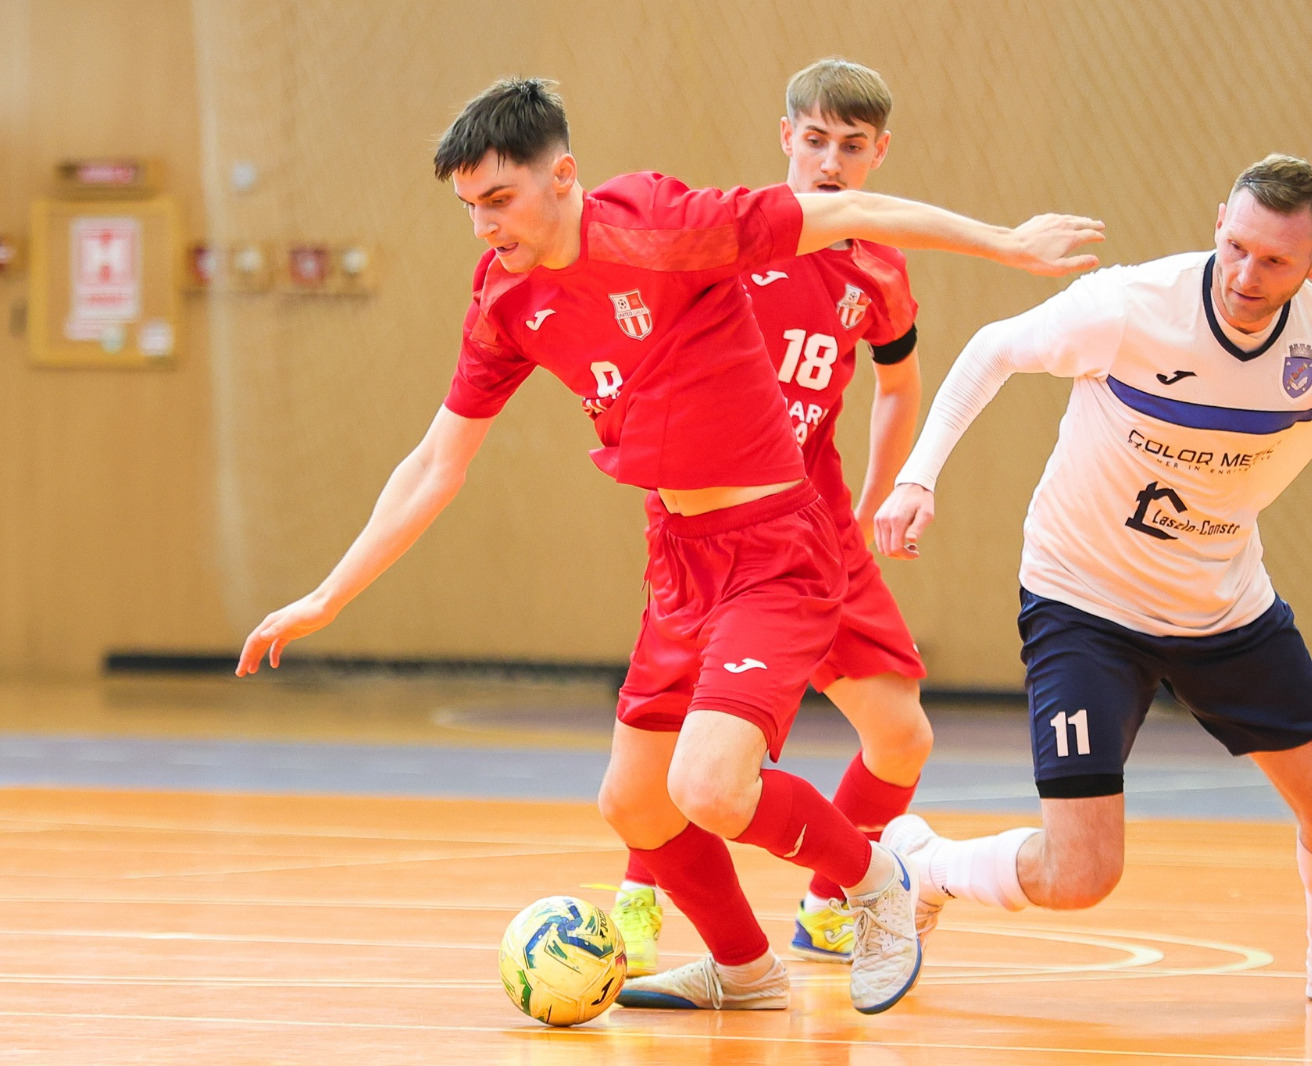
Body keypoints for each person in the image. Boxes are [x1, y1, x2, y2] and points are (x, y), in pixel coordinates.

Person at [233, 77, 1105, 1015]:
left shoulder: (663, 223)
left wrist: (1004, 242)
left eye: (499, 200)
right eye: (469, 207)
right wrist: (328, 595)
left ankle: (876, 882)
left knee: (716, 785)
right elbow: (436, 462)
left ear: (562, 175)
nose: (483, 226)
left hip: (775, 546)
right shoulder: (506, 297)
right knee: (635, 803)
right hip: (679, 555)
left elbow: (848, 211)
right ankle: (746, 970)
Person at [875, 154, 1312, 1009]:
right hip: (1084, 600)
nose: (1246, 275)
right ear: (1219, 221)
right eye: (1237, 246)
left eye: (1275, 261)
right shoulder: (1133, 306)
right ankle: (923, 866)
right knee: (1080, 874)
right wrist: (918, 477)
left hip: (1223, 608)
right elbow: (993, 349)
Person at [609, 57, 936, 984]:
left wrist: (873, 499)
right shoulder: (727, 241)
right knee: (675, 747)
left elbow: (898, 385)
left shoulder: (877, 268)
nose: (832, 161)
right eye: (816, 139)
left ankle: (831, 906)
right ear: (786, 136)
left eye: (852, 146)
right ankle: (641, 890)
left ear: (879, 153)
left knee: (902, 735)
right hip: (714, 530)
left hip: (814, 529)